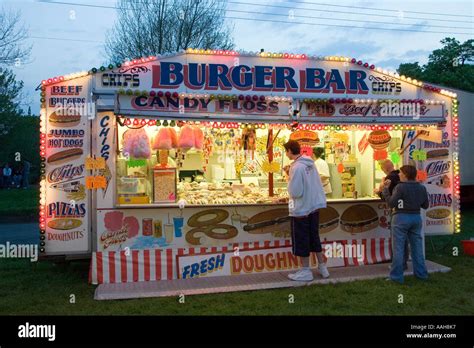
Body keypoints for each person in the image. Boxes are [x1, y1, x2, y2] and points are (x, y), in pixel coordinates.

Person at [283, 140, 329, 281]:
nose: (286, 154)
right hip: (313, 206)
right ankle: (322, 267)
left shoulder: (296, 167)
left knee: (302, 239)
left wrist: (287, 178)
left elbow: (296, 192)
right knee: (314, 237)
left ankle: (305, 270)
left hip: (301, 209)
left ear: (290, 151)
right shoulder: (310, 164)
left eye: (286, 151)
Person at [381, 165, 429, 284]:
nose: (398, 175)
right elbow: (425, 205)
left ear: (406, 175)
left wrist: (385, 190)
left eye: (401, 173)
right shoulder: (421, 188)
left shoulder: (400, 187)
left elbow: (392, 203)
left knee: (398, 248)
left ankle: (396, 277)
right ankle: (421, 275)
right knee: (417, 248)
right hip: (416, 218)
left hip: (400, 218)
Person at [376, 159, 408, 270]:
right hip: (410, 213)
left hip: (397, 212)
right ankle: (404, 263)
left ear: (384, 169)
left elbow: (388, 199)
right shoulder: (402, 176)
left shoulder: (389, 179)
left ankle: (397, 265)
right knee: (405, 240)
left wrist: (380, 192)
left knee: (397, 240)